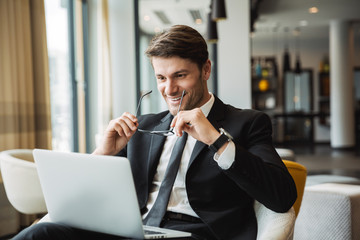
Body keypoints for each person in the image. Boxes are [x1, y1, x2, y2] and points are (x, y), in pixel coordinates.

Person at [14, 25, 296, 240]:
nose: (169, 89)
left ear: (206, 70)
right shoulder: (143, 126)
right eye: (161, 78)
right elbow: (82, 199)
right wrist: (104, 153)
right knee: (41, 233)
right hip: (132, 230)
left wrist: (215, 139)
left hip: (197, 233)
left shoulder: (247, 123)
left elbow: (281, 197)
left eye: (180, 76)